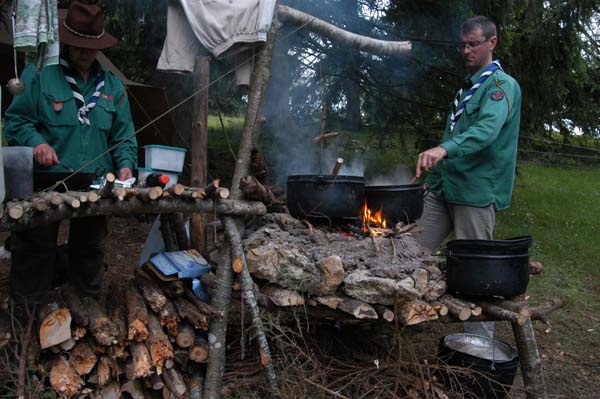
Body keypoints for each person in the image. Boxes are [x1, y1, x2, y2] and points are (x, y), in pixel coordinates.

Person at [4, 2, 137, 301]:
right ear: (66, 41)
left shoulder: (113, 87)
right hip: (46, 182)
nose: (85, 52)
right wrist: (36, 142)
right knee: (35, 248)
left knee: (90, 250)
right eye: (78, 45)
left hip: (95, 184)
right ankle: (27, 316)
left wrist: (126, 165)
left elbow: (124, 136)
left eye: (91, 46)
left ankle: (87, 311)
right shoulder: (39, 73)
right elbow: (16, 121)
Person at [414, 16, 522, 337]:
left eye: (473, 43)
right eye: (462, 44)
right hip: (444, 189)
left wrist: (443, 150)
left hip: (474, 194)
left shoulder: (502, 87)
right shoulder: (468, 88)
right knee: (410, 252)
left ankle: (479, 350)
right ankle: (407, 316)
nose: (466, 50)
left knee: (476, 275)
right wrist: (433, 182)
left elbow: (486, 130)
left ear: (492, 43)